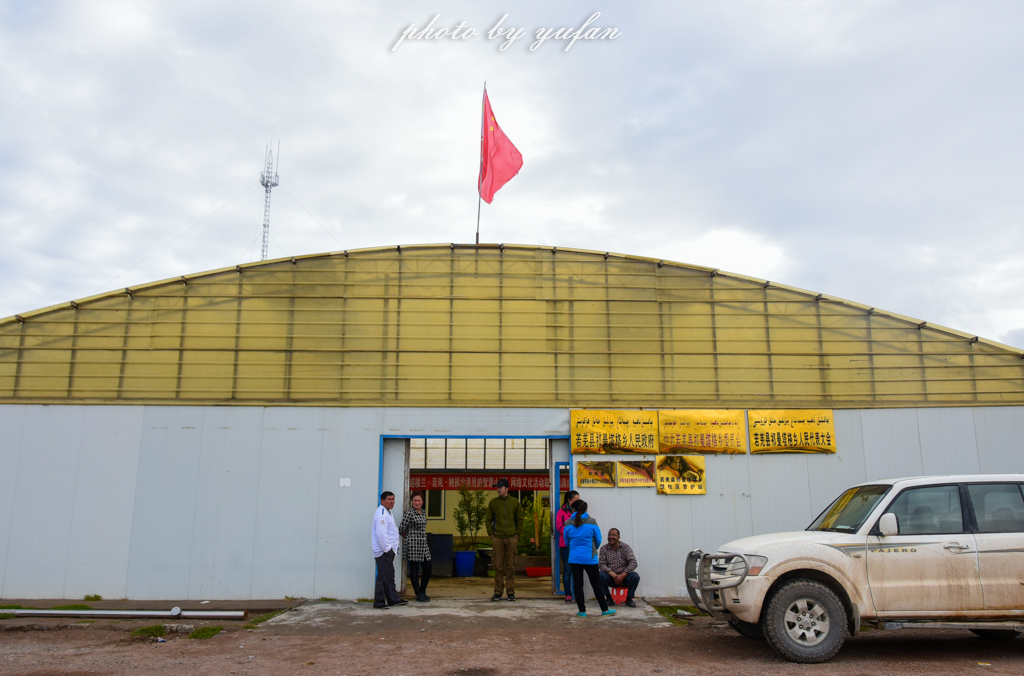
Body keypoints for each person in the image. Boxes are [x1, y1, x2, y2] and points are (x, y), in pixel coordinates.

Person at [562, 500, 614, 618]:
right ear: (585, 509)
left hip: (574, 558)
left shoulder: (567, 523)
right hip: (590, 558)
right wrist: (593, 549)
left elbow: (567, 542)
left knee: (578, 585)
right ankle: (605, 610)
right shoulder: (592, 522)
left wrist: (574, 549)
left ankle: (582, 611)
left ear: (573, 509)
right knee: (596, 584)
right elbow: (598, 539)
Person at [485, 478, 524, 602]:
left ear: (507, 489)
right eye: (497, 487)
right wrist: (491, 534)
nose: (498, 489)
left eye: (500, 487)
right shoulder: (493, 503)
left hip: (511, 537)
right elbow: (488, 519)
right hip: (497, 538)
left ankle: (510, 592)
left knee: (510, 566)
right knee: (498, 566)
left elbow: (520, 519)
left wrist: (517, 534)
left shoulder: (514, 502)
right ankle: (498, 592)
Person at [371, 491, 408, 609]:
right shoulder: (381, 514)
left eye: (393, 499)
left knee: (389, 575)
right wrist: (387, 549)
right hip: (384, 552)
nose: (392, 502)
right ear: (382, 501)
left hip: (388, 551)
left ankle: (393, 599)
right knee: (383, 576)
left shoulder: (387, 512)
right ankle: (379, 602)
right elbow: (381, 534)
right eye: (389, 499)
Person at [399, 493, 432, 602]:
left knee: (428, 568)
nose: (417, 503)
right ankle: (418, 593)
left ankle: (423, 590)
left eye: (419, 501)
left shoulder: (423, 512)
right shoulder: (409, 513)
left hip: (423, 544)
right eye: (415, 501)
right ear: (412, 502)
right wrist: (409, 536)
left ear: (422, 502)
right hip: (413, 544)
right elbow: (401, 528)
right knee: (414, 569)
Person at [599, 528, 640, 608]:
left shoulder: (626, 547)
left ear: (618, 537)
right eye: (609, 535)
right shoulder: (603, 549)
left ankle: (629, 599)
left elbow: (633, 562)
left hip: (625, 577)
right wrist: (614, 575)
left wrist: (623, 575)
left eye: (614, 535)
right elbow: (601, 564)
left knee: (635, 576)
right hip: (611, 577)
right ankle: (609, 598)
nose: (611, 537)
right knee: (599, 575)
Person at [555, 490, 580, 603]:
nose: (578, 502)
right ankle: (568, 594)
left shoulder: (580, 512)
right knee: (567, 571)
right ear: (569, 500)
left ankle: (577, 594)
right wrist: (571, 531)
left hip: (577, 545)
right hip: (565, 545)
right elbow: (559, 527)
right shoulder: (561, 512)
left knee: (577, 571)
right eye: (576, 500)